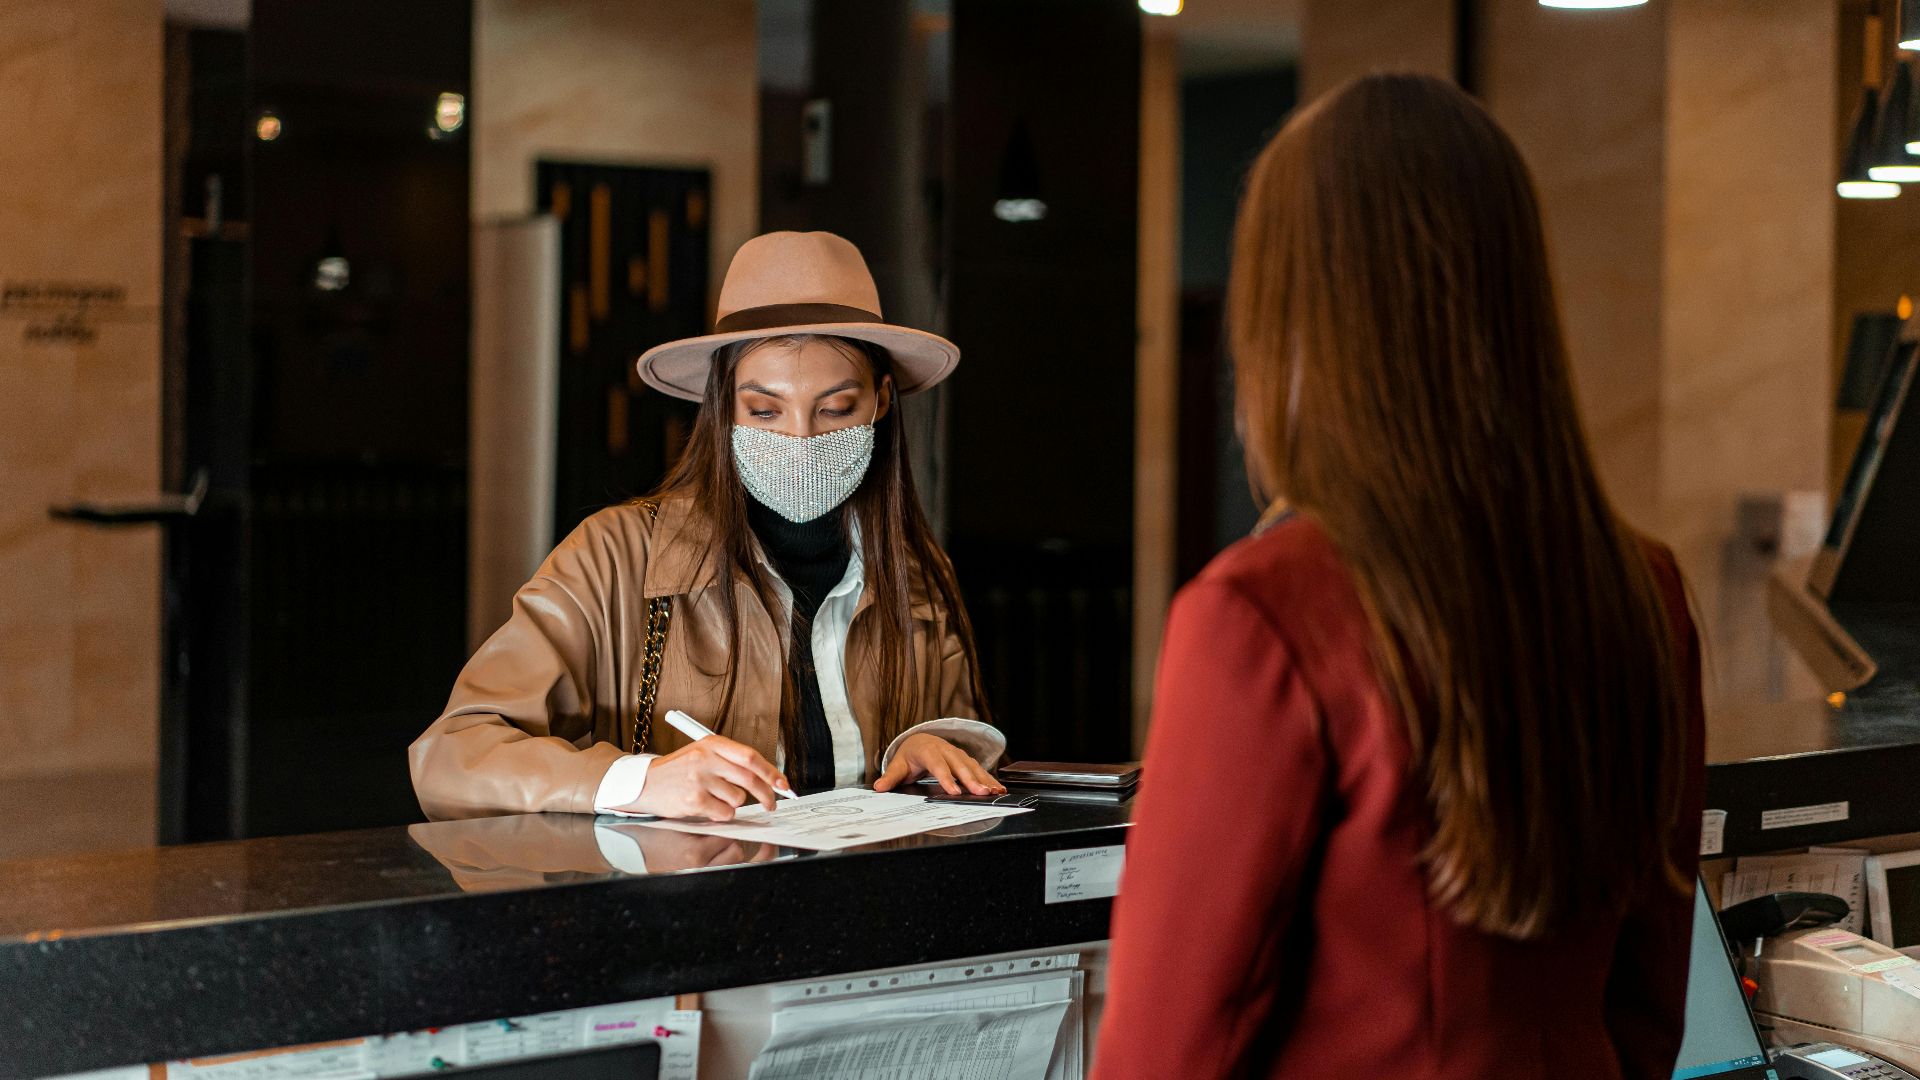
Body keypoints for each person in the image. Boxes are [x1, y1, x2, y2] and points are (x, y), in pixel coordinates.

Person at [1092, 74, 1705, 1079]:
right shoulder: (1643, 588)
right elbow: (1648, 1008)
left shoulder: (1261, 614)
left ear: (1290, 311)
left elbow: (1166, 1051)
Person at [409, 231, 1007, 822]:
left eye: (834, 408)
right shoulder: (613, 555)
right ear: (721, 408)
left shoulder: (916, 570)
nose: (800, 438)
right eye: (764, 410)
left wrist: (925, 747)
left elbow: (957, 733)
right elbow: (451, 755)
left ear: (880, 401)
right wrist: (637, 782)